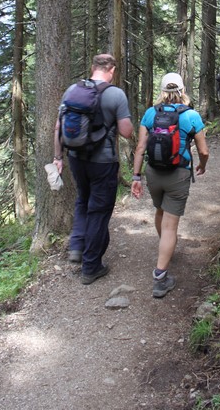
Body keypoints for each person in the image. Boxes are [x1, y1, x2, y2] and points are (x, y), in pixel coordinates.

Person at [53, 53, 134, 285]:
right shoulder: (115, 94)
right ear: (112, 70)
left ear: (92, 67)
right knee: (98, 210)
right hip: (103, 162)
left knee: (82, 200)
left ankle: (77, 246)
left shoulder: (72, 90)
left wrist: (58, 157)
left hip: (76, 158)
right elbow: (126, 132)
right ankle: (91, 266)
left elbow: (58, 126)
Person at [131, 72, 209, 298]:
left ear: (162, 91)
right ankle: (160, 277)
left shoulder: (150, 113)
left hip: (153, 173)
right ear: (182, 90)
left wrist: (136, 177)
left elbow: (140, 148)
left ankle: (165, 247)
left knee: (159, 211)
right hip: (178, 174)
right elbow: (203, 151)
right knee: (170, 227)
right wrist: (202, 165)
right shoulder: (191, 115)